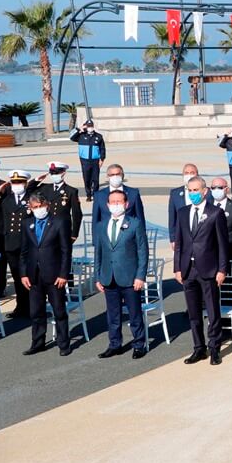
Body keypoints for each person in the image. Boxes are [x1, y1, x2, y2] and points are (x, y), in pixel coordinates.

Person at [174, 176, 229, 366]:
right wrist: (177, 268)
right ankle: (199, 348)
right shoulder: (182, 213)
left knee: (212, 310)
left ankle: (215, 347)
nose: (193, 194)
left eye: (196, 190)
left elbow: (222, 244)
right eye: (190, 190)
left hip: (208, 269)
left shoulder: (215, 213)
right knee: (193, 312)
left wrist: (222, 269)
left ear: (204, 191)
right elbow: (179, 243)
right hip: (188, 269)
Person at [93, 189, 149, 359]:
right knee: (113, 314)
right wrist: (98, 276)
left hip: (130, 277)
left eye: (119, 202)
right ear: (108, 205)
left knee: (134, 313)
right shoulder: (102, 225)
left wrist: (140, 276)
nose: (116, 205)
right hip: (109, 276)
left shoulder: (135, 223)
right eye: (113, 202)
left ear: (126, 204)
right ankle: (115, 344)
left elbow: (142, 251)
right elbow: (99, 252)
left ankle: (139, 344)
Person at [20, 193, 73, 357]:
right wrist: (23, 274)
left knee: (59, 311)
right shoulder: (27, 223)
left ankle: (64, 344)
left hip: (54, 275)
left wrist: (64, 274)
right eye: (34, 207)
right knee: (36, 312)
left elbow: (66, 250)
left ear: (47, 205)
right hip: (34, 275)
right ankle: (38, 342)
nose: (38, 210)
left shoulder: (58, 222)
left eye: (40, 206)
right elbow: (24, 251)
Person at [0, 171, 38, 319]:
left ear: (25, 184)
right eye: (14, 183)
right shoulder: (6, 200)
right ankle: (21, 306)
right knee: (17, 277)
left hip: (27, 244)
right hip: (11, 244)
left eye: (20, 183)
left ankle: (32, 306)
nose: (17, 185)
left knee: (29, 276)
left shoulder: (31, 199)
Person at [92, 164, 146, 228]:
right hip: (106, 234)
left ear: (122, 175)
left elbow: (140, 218)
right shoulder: (99, 195)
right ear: (107, 176)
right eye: (112, 175)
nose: (115, 177)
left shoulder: (133, 193)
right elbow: (95, 220)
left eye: (118, 174)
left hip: (128, 233)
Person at [168, 164, 206, 247]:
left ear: (197, 175)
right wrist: (172, 238)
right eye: (186, 173)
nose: (189, 175)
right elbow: (172, 217)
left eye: (192, 172)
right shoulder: (175, 193)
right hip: (182, 236)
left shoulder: (207, 192)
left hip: (202, 236)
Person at [69, 119, 105, 202]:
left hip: (95, 160)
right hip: (85, 161)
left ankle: (95, 194)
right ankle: (88, 194)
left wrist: (102, 159)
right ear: (85, 126)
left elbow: (102, 148)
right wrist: (79, 129)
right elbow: (71, 137)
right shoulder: (80, 136)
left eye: (91, 126)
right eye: (88, 126)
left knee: (95, 179)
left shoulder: (98, 136)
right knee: (87, 178)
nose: (90, 128)